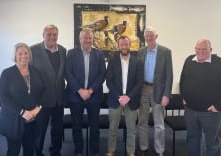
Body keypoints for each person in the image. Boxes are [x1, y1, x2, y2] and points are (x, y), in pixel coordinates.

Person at [180, 39, 221, 156]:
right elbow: (183, 81)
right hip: (190, 110)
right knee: (192, 140)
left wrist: (218, 106)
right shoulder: (189, 60)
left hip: (211, 112)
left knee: (212, 143)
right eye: (198, 49)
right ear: (195, 49)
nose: (200, 52)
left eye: (204, 49)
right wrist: (184, 96)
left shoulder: (220, 64)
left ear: (210, 50)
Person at [0, 43, 44, 156]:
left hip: (32, 120)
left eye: (26, 53)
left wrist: (38, 108)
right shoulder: (7, 73)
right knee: (13, 151)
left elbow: (43, 91)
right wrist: (22, 112)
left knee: (30, 150)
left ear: (29, 55)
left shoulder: (36, 71)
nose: (24, 56)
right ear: (15, 56)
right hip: (14, 120)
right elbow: (3, 96)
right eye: (20, 54)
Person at [66, 28, 106, 156]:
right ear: (80, 39)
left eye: (90, 38)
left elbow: (102, 74)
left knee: (94, 126)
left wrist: (90, 90)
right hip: (75, 96)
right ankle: (78, 150)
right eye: (85, 38)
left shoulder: (99, 54)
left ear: (93, 39)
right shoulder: (71, 53)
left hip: (94, 96)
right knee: (76, 125)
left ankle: (95, 151)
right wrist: (79, 90)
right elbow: (68, 73)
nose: (88, 40)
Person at [30, 24, 67, 156]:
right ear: (43, 35)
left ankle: (55, 152)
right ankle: (37, 152)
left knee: (57, 130)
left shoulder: (63, 50)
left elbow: (63, 74)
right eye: (49, 34)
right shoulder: (33, 50)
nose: (52, 37)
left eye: (54, 35)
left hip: (59, 99)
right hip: (41, 100)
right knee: (40, 130)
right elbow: (28, 74)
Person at [137, 26, 173, 156]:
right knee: (142, 120)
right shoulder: (140, 52)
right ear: (144, 37)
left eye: (151, 35)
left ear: (156, 36)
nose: (149, 38)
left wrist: (166, 95)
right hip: (143, 89)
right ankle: (143, 147)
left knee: (159, 123)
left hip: (159, 90)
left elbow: (169, 75)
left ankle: (159, 149)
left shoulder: (165, 52)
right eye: (147, 36)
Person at [106, 36, 143, 156]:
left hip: (131, 101)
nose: (124, 47)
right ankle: (111, 150)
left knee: (132, 129)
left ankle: (130, 152)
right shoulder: (112, 61)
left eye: (126, 44)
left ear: (130, 45)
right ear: (118, 46)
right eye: (122, 45)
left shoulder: (138, 62)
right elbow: (109, 81)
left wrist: (129, 97)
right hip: (115, 100)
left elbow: (139, 82)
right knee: (113, 129)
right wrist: (119, 96)